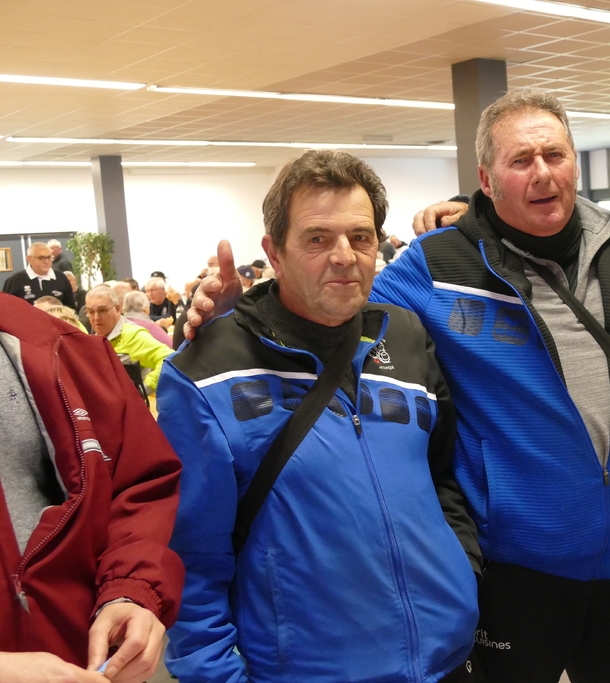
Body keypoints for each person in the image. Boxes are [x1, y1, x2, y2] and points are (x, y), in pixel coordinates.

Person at [188, 89, 610, 683]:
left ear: (575, 163)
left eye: (554, 155)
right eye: (520, 160)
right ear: (487, 179)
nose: (542, 173)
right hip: (517, 565)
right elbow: (332, 306)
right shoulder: (435, 265)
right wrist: (236, 320)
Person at [160, 149, 480, 683]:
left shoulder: (404, 335)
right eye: (317, 238)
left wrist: (461, 572)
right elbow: (189, 561)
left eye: (360, 236)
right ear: (274, 252)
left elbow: (443, 474)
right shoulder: (205, 372)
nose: (344, 256)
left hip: (446, 656)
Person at [0, 293, 184, 683]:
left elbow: (136, 483)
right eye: (93, 311)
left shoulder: (62, 347)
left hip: (90, 660)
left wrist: (129, 589)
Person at [85, 285, 172, 395]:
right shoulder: (93, 339)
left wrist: (142, 390)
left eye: (102, 310)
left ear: (117, 309)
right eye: (91, 312)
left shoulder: (132, 335)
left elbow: (170, 359)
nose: (96, 317)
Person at [2, 242, 76, 309]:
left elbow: (70, 307)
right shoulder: (15, 281)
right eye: (41, 258)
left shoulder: (61, 278)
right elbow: (6, 309)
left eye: (49, 257)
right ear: (29, 259)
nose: (46, 261)